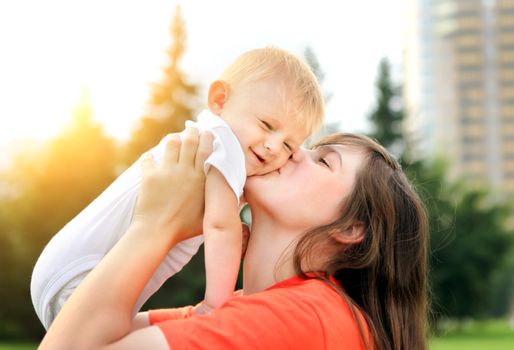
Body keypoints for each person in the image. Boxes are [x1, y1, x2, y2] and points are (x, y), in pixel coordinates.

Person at [40, 128, 429, 350]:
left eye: (324, 161)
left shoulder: (303, 319)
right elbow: (89, 336)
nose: (294, 153)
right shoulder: (248, 307)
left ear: (349, 229)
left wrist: (156, 225)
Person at [31, 47, 324, 327]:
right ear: (220, 100)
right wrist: (215, 305)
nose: (273, 146)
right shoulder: (225, 146)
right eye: (266, 125)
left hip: (69, 268)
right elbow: (221, 229)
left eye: (288, 145)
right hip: (84, 278)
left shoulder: (209, 140)